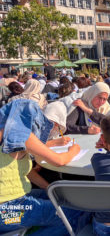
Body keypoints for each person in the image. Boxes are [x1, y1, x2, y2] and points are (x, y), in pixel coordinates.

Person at [0, 99, 87, 235]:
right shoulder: (22, 133)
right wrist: (73, 151)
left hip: (10, 204)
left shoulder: (6, 132)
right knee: (71, 213)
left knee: (61, 197)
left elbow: (25, 171)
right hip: (8, 211)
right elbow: (59, 160)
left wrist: (48, 188)